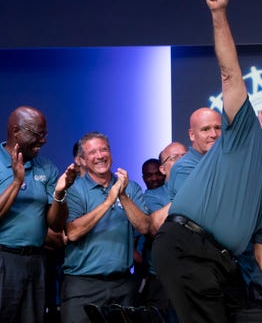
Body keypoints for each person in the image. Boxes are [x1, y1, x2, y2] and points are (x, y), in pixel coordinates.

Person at [152, 0, 262, 323]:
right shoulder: (244, 135)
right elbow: (230, 73)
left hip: (222, 263)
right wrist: (218, 13)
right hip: (186, 245)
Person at [61, 132, 150, 323]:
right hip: (82, 286)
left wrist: (123, 195)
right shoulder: (75, 189)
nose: (100, 155)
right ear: (83, 161)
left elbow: (144, 227)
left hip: (123, 285)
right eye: (92, 152)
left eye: (104, 149)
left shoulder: (131, 187)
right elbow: (73, 232)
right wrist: (109, 200)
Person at [0, 106, 78, 322]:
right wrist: (17, 182)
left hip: (37, 261)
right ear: (16, 131)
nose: (43, 140)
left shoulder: (46, 168)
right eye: (37, 134)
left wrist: (60, 194)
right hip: (4, 259)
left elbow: (55, 224)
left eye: (45, 134)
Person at [137, 142, 187, 321]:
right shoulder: (152, 196)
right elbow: (167, 227)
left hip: (196, 277)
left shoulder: (207, 188)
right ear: (163, 168)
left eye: (185, 156)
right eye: (174, 158)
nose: (182, 162)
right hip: (163, 279)